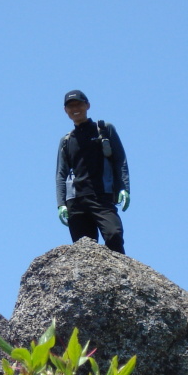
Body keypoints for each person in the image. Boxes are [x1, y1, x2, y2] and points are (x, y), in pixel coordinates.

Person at [55, 90, 130, 254]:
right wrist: (61, 204)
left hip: (101, 196)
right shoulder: (67, 140)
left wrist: (124, 188)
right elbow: (61, 174)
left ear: (87, 105)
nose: (75, 109)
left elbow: (120, 160)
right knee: (84, 250)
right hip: (76, 202)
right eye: (70, 106)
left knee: (114, 235)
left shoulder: (104, 130)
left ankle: (118, 277)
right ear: (65, 110)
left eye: (79, 104)